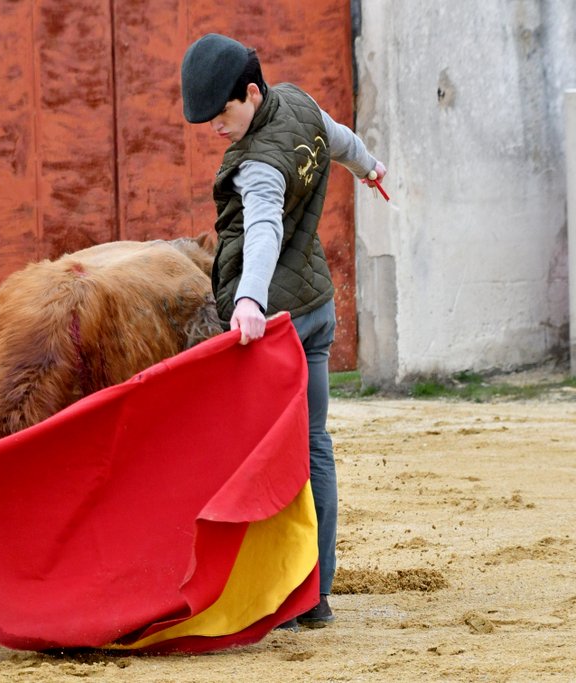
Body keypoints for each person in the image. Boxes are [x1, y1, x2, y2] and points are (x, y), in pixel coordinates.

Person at [180, 33, 387, 628]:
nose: (217, 128)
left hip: (275, 327)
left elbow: (265, 228)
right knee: (314, 444)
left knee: (256, 450)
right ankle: (316, 595)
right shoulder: (297, 102)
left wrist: (247, 300)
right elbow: (341, 138)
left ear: (251, 92)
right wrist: (370, 167)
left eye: (223, 114)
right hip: (315, 307)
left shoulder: (258, 166)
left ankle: (263, 583)